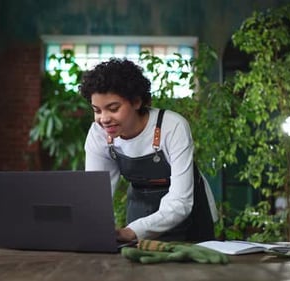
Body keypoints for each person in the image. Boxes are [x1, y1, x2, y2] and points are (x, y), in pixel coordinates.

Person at [79, 58, 218, 243]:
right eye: (97, 110)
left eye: (113, 108)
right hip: (139, 205)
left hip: (189, 212)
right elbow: (96, 197)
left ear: (136, 101)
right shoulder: (99, 134)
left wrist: (131, 232)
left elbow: (180, 203)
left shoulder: (172, 126)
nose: (103, 119)